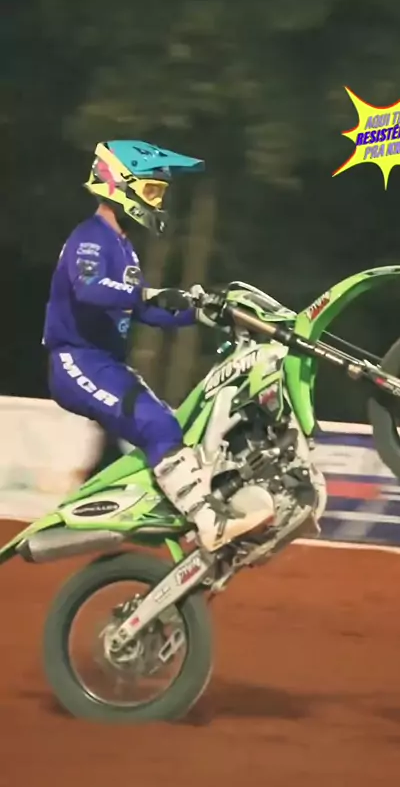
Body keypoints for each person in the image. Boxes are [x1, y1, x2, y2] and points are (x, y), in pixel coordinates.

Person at [43, 139, 272, 552]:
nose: (157, 202)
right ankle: (209, 522)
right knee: (156, 426)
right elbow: (90, 289)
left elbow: (146, 309)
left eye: (160, 193)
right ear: (117, 184)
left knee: (176, 427)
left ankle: (190, 510)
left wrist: (201, 311)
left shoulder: (122, 246)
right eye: (151, 191)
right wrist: (149, 295)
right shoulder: (91, 237)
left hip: (107, 364)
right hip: (76, 361)